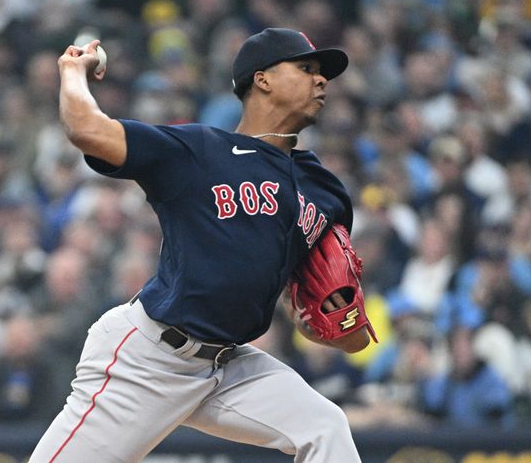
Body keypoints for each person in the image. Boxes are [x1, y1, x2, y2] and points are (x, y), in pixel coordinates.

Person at [30, 28, 373, 462]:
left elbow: (324, 317)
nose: (321, 80)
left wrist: (337, 325)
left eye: (322, 73)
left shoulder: (325, 190)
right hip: (149, 359)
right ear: (262, 79)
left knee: (324, 426)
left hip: (228, 367)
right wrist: (72, 71)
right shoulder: (198, 152)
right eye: (306, 68)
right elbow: (86, 129)